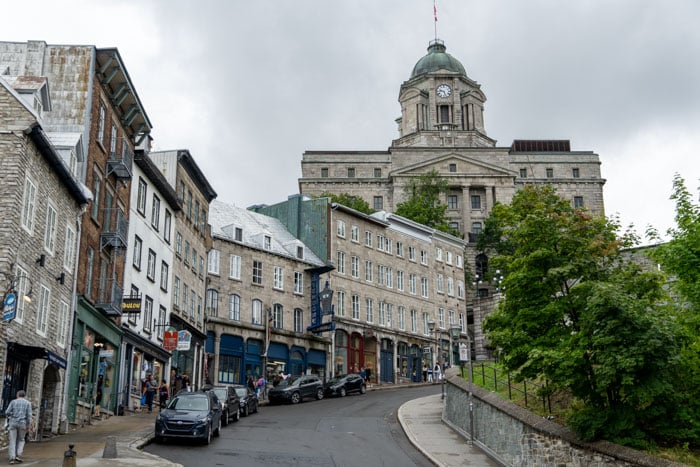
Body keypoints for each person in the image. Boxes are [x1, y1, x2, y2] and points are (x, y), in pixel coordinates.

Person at [5, 390, 32, 465]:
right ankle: (18, 454)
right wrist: (28, 426)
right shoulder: (28, 403)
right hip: (22, 423)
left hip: (13, 422)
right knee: (21, 439)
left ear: (18, 395)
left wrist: (11, 416)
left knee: (12, 440)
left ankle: (12, 457)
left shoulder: (13, 402)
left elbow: (7, 412)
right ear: (24, 395)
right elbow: (29, 416)